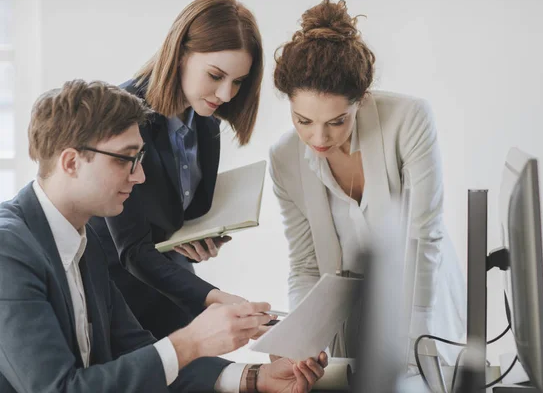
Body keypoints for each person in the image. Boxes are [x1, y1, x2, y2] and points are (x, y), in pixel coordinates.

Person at [0, 79, 327, 393]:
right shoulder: (9, 250)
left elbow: (136, 353)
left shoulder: (82, 243)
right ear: (71, 162)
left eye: (140, 159)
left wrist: (256, 376)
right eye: (127, 159)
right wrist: (192, 341)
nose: (139, 175)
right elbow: (59, 388)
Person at [269, 0, 467, 364]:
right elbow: (305, 265)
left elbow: (425, 234)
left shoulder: (408, 119)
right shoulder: (283, 158)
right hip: (349, 312)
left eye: (337, 121)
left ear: (360, 101)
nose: (319, 138)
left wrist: (415, 338)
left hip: (422, 297)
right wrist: (299, 343)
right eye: (303, 120)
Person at [89, 0, 267, 340]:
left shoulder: (205, 122)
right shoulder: (121, 116)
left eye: (238, 81)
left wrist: (197, 241)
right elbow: (134, 250)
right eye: (216, 75)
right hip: (114, 300)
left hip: (168, 293)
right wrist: (214, 298)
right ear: (181, 53)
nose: (226, 94)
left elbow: (171, 220)